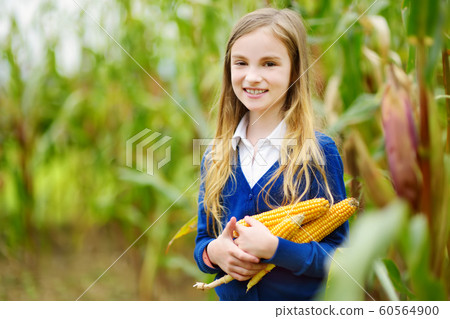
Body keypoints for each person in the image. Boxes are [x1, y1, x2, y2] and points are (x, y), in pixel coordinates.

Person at [193, 7, 348, 301]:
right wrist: (214, 252)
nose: (252, 77)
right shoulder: (215, 155)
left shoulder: (318, 152)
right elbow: (203, 241)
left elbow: (341, 259)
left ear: (294, 69)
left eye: (269, 64)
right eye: (241, 63)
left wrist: (277, 250)